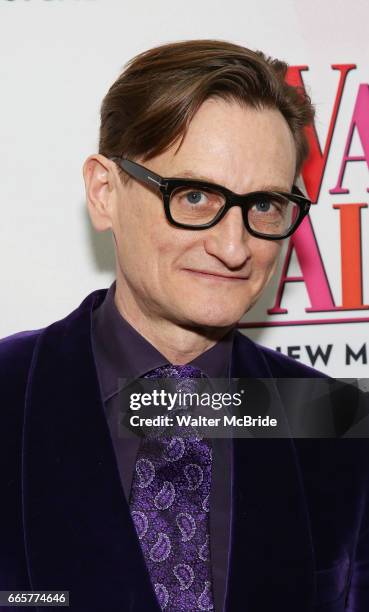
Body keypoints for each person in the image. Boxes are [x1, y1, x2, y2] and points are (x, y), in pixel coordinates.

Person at [0, 39, 368, 612]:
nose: (233, 246)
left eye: (265, 205)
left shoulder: (340, 424)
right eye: (194, 195)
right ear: (104, 192)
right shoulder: (10, 392)